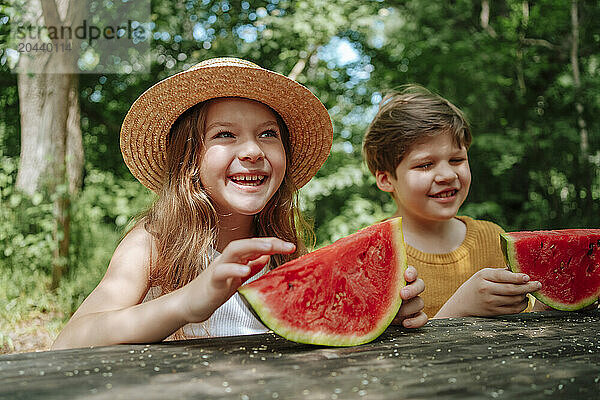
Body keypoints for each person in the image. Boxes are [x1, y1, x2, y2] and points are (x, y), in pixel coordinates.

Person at [52, 58, 426, 350]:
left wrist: (372, 313)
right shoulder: (152, 242)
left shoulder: (285, 251)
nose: (251, 151)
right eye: (225, 134)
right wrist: (187, 303)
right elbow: (69, 341)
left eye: (268, 134)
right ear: (189, 158)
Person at [362, 84, 542, 319]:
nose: (448, 175)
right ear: (386, 179)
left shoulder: (492, 238)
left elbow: (528, 327)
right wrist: (460, 308)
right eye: (425, 164)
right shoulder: (370, 252)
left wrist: (554, 306)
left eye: (457, 160)